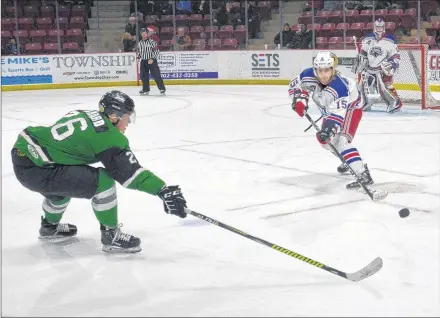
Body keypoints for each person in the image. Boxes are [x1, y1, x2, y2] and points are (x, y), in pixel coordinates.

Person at [11, 90, 187, 253]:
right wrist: (162, 190)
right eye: (126, 117)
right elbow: (131, 175)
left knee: (63, 186)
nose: (128, 123)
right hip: (38, 170)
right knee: (103, 181)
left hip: (24, 156)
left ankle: (49, 227)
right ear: (113, 116)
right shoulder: (109, 137)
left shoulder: (83, 113)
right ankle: (111, 235)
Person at [288, 51, 378, 193]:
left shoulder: (340, 87)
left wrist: (328, 131)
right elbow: (296, 87)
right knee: (326, 143)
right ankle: (348, 160)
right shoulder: (307, 75)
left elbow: (337, 117)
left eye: (327, 70)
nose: (323, 74)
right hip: (331, 110)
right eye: (320, 70)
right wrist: (300, 100)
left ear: (333, 69)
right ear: (315, 69)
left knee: (341, 142)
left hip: (351, 107)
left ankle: (363, 174)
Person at [352, 18, 402, 113]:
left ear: (383, 28)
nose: (379, 29)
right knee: (362, 85)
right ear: (374, 27)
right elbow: (364, 51)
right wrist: (361, 59)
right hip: (370, 67)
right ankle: (366, 102)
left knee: (386, 85)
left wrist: (392, 63)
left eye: (381, 27)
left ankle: (395, 102)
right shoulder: (368, 39)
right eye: (377, 27)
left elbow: (395, 54)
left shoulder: (390, 40)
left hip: (383, 67)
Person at [137, 28, 166, 96]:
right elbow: (140, 52)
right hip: (143, 61)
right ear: (141, 34)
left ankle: (162, 89)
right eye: (142, 33)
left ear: (147, 34)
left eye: (145, 33)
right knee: (143, 76)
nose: (144, 35)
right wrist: (138, 57)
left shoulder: (152, 42)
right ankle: (145, 89)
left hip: (151, 61)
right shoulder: (140, 43)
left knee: (156, 75)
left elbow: (157, 51)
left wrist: (152, 59)